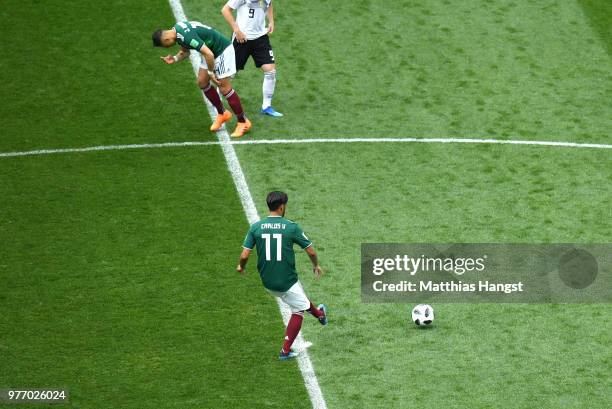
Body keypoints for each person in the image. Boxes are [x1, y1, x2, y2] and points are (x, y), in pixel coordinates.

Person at [237, 191, 327, 360]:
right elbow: (311, 251)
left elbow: (244, 255)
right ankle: (285, 351)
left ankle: (320, 314)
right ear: (281, 207)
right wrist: (316, 265)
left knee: (298, 298)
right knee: (298, 310)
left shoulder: (256, 227)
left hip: (267, 281)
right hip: (286, 281)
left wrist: (241, 267)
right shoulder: (291, 227)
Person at [152, 21, 251, 137]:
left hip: (221, 51)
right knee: (202, 82)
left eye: (165, 46)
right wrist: (174, 58)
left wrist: (210, 72)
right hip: (210, 51)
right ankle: (222, 113)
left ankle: (243, 121)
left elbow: (209, 55)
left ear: (166, 40)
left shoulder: (186, 36)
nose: (168, 47)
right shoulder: (177, 31)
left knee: (224, 88)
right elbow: (185, 52)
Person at [222, 0, 283, 117]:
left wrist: (271, 21)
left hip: (260, 38)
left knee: (270, 71)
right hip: (242, 38)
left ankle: (266, 106)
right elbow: (225, 10)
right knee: (228, 74)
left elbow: (269, 3)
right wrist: (237, 30)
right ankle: (218, 105)